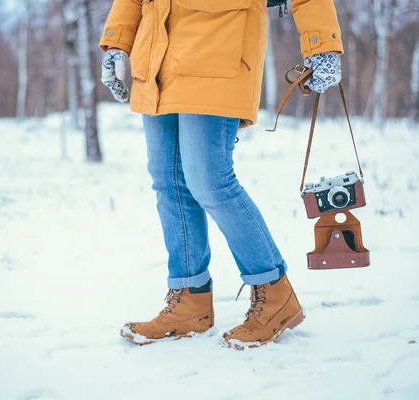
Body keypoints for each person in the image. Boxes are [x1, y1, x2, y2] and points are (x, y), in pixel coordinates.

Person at [98, 0, 343, 349]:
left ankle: (274, 292)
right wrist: (118, 41)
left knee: (210, 181)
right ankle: (189, 299)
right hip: (155, 54)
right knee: (169, 183)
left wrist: (323, 44)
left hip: (217, 47)